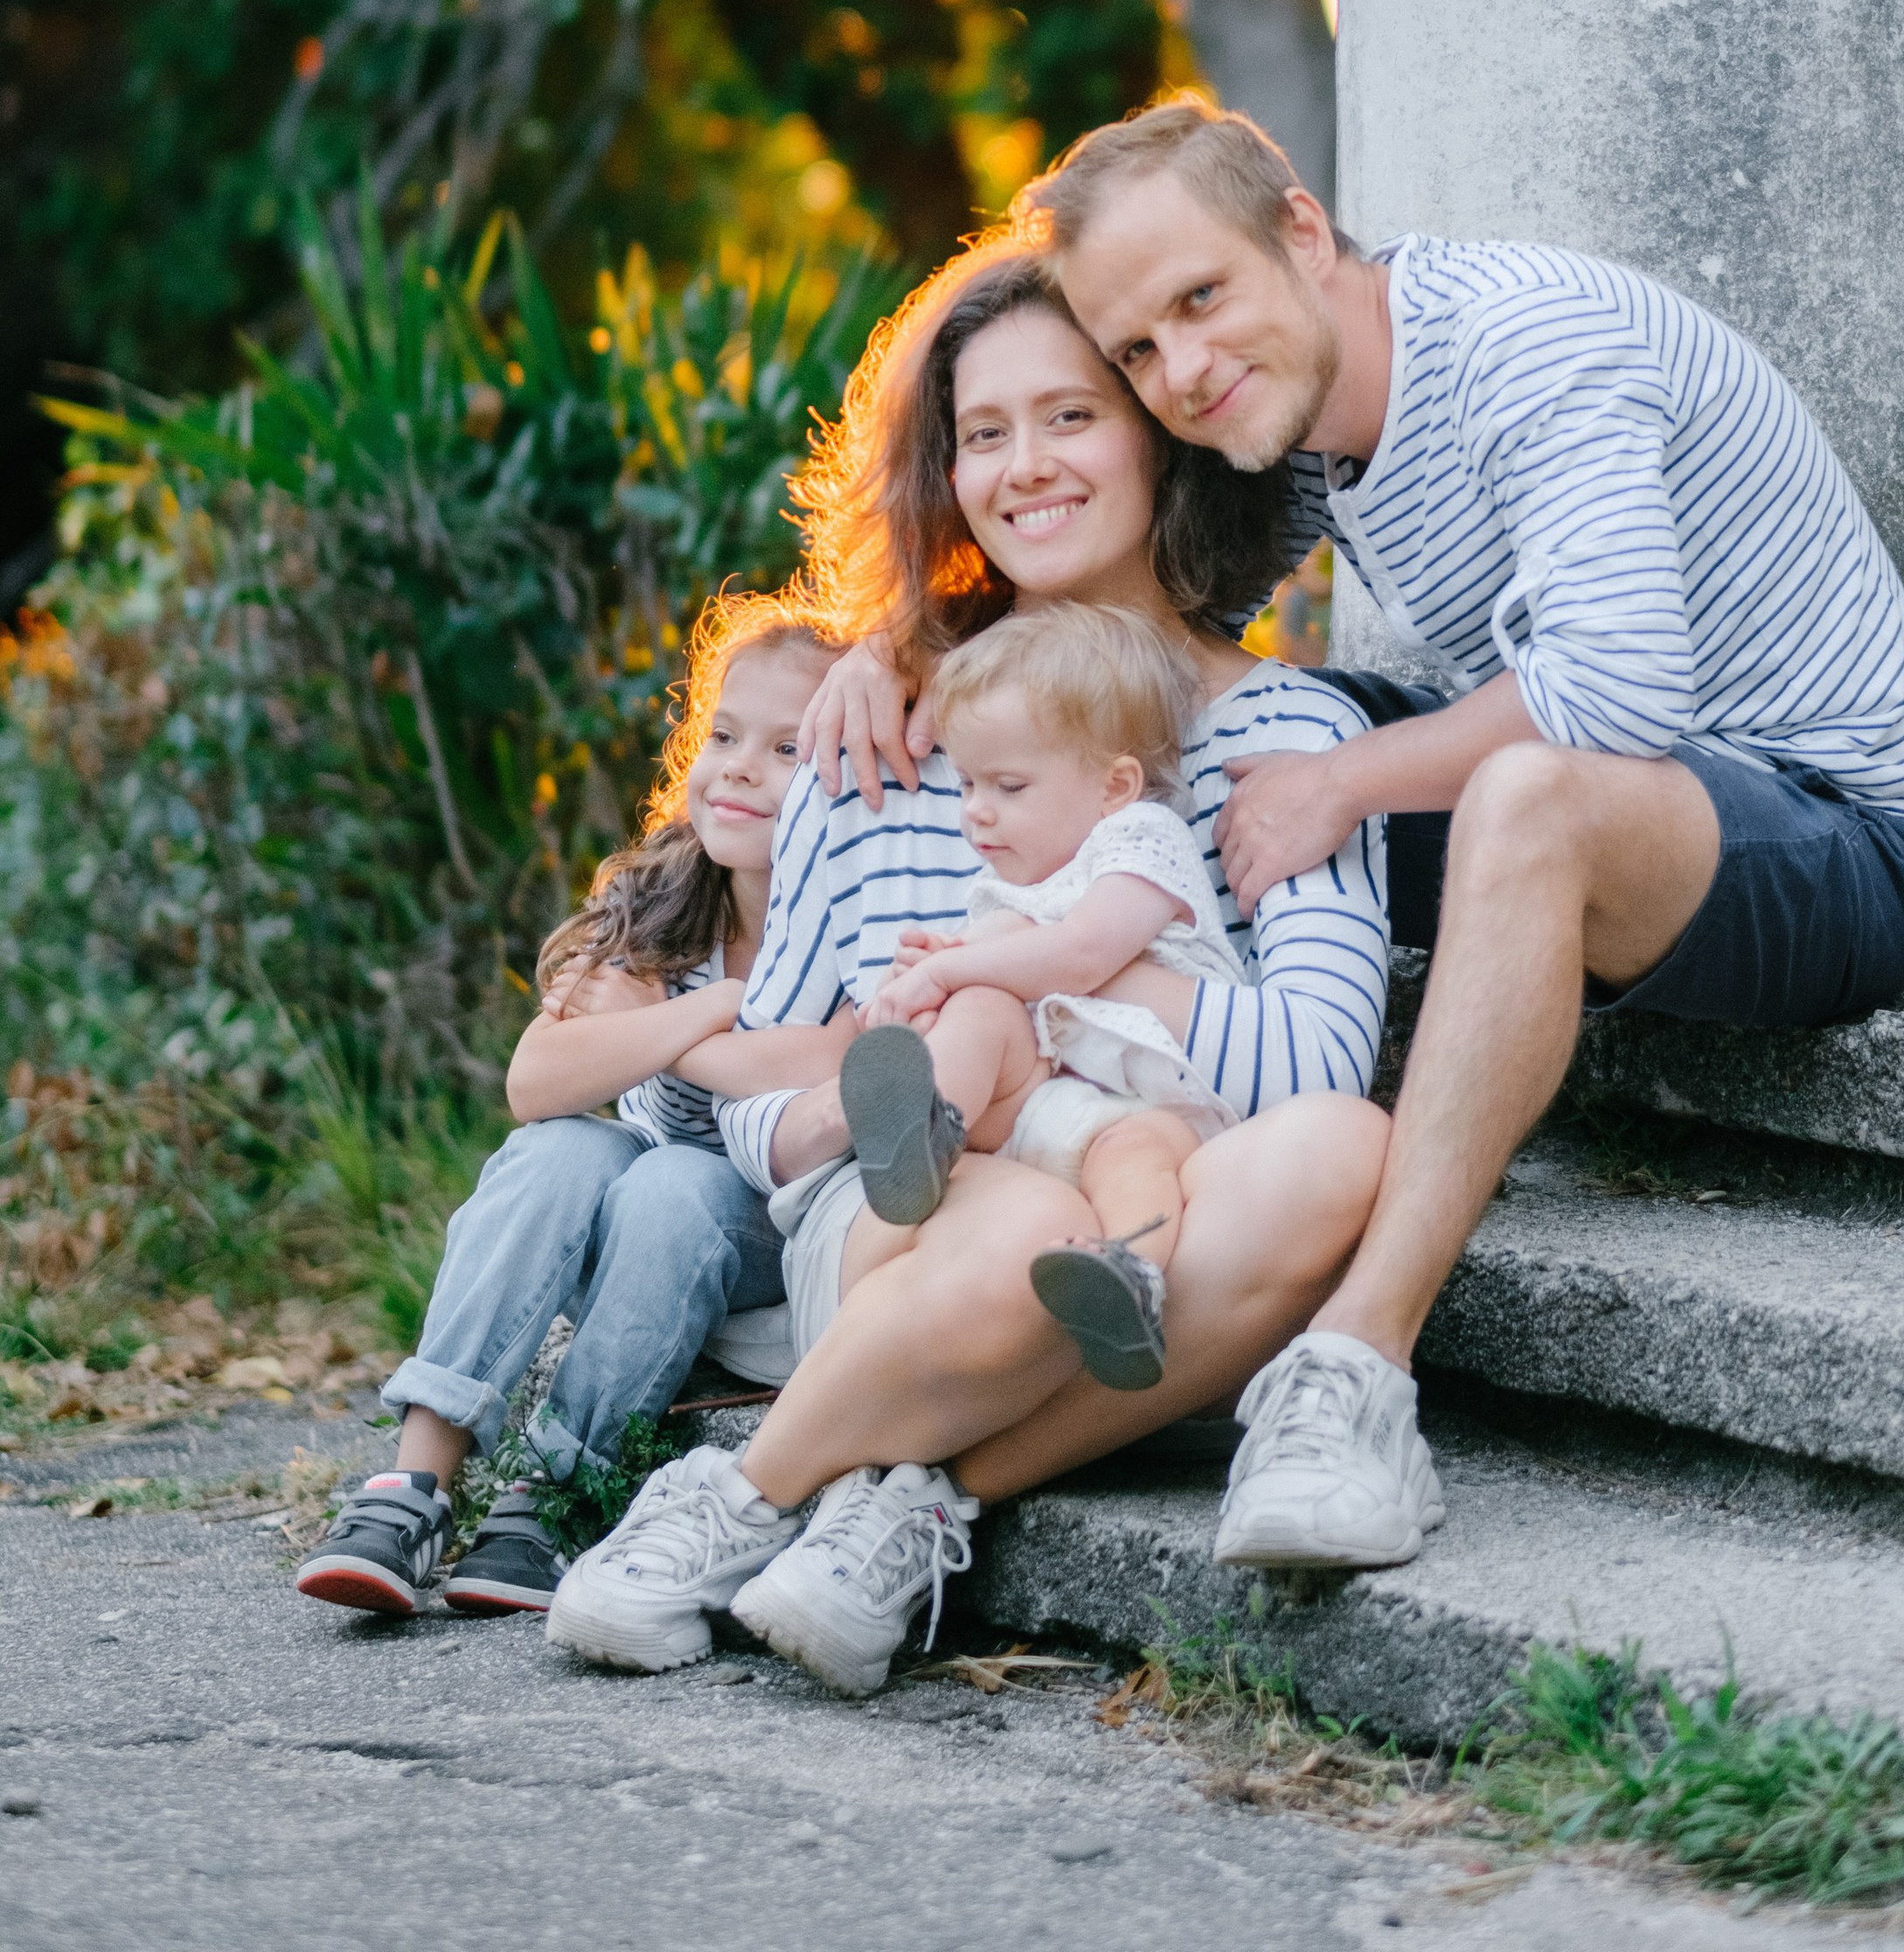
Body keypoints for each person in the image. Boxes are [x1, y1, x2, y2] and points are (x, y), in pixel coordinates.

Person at [1032, 92, 1904, 1578]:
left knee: (1472, 784)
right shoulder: (1309, 425)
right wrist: (895, 676)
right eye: (1137, 350)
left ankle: (1359, 1368)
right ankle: (1106, 1184)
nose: (1183, 372)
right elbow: (1129, 591)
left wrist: (1345, 786)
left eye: (1201, 300)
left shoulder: (1524, 342)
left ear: (1301, 230)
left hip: (1846, 833)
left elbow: (1617, 693)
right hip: (1652, 807)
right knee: (1254, 728)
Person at [543, 236, 1393, 1690]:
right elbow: (762, 1098)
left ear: (1159, 430)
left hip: (1156, 1221)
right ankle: (752, 1503)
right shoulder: (874, 732)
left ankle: (905, 1498)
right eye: (983, 433)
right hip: (911, 1228)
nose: (1026, 467)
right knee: (1011, 1221)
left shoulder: (1292, 737)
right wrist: (835, 1100)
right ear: (946, 473)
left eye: (1071, 415)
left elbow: (1314, 1064)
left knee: (1339, 1150)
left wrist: (1045, 970)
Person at [295, 596, 847, 1622]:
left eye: (786, 748)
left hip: (771, 1225)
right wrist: (726, 1017)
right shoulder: (660, 894)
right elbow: (536, 1083)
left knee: (676, 1176)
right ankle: (412, 1484)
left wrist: (685, 1019)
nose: (738, 767)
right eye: (724, 736)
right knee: (561, 1152)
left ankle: (556, 1493)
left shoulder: (858, 914)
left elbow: (833, 1066)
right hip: (629, 1225)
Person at [844, 601, 1262, 1392]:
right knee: (977, 1014)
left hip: (1152, 1100)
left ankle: (1126, 1275)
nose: (976, 809)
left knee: (1140, 1162)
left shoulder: (1139, 841)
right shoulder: (1012, 886)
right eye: (967, 783)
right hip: (1044, 1107)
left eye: (1007, 784)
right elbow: (1000, 976)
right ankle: (923, 1132)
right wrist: (923, 987)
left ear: (1115, 785)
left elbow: (1085, 951)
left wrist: (952, 968)